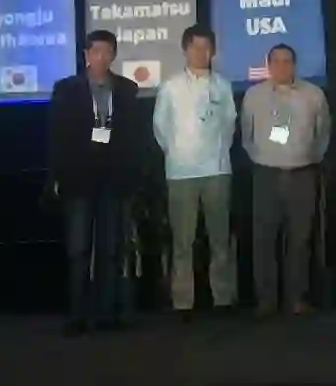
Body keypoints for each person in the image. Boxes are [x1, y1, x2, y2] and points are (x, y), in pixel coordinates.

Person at [48, 29, 140, 335]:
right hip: (78, 180)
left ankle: (106, 313)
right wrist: (57, 176)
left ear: (114, 55)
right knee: (78, 251)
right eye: (96, 51)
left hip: (114, 181)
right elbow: (57, 136)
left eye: (107, 52)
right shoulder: (66, 89)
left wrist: (133, 177)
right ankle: (77, 315)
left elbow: (133, 138)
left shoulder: (126, 89)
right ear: (86, 55)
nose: (101, 57)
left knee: (111, 250)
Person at [153, 25, 237, 320]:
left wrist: (216, 152)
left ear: (213, 51)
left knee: (220, 239)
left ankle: (222, 298)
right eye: (196, 47)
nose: (201, 53)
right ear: (185, 50)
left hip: (217, 170)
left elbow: (229, 125)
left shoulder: (223, 86)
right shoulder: (170, 86)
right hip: (181, 172)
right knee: (182, 242)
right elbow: (160, 129)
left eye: (206, 47)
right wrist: (178, 152)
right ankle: (183, 302)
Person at [241, 44, 330, 317]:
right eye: (277, 62)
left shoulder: (314, 95)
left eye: (287, 61)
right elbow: (246, 135)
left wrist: (308, 158)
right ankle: (266, 301)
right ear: (268, 65)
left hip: (302, 173)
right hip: (266, 174)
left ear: (295, 65)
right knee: (264, 240)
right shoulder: (253, 95)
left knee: (300, 240)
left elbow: (323, 133)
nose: (282, 66)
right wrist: (263, 158)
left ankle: (297, 299)